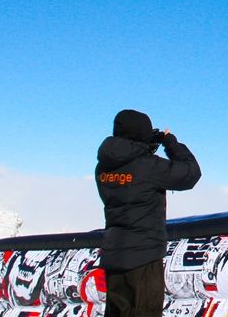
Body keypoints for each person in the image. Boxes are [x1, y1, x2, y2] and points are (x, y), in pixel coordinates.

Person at [95, 109, 201, 317]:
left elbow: (132, 176)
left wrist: (145, 146)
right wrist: (170, 142)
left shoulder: (103, 167)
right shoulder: (149, 167)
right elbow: (190, 173)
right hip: (144, 255)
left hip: (114, 253)